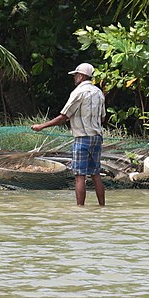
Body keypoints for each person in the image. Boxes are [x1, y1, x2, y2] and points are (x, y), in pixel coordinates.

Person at [32, 63, 105, 206]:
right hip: (97, 137)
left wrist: (41, 126)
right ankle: (102, 206)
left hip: (82, 138)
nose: (74, 78)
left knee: (79, 175)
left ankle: (80, 209)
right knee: (96, 174)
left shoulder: (78, 92)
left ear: (82, 76)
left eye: (76, 75)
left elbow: (63, 117)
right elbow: (102, 118)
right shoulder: (99, 93)